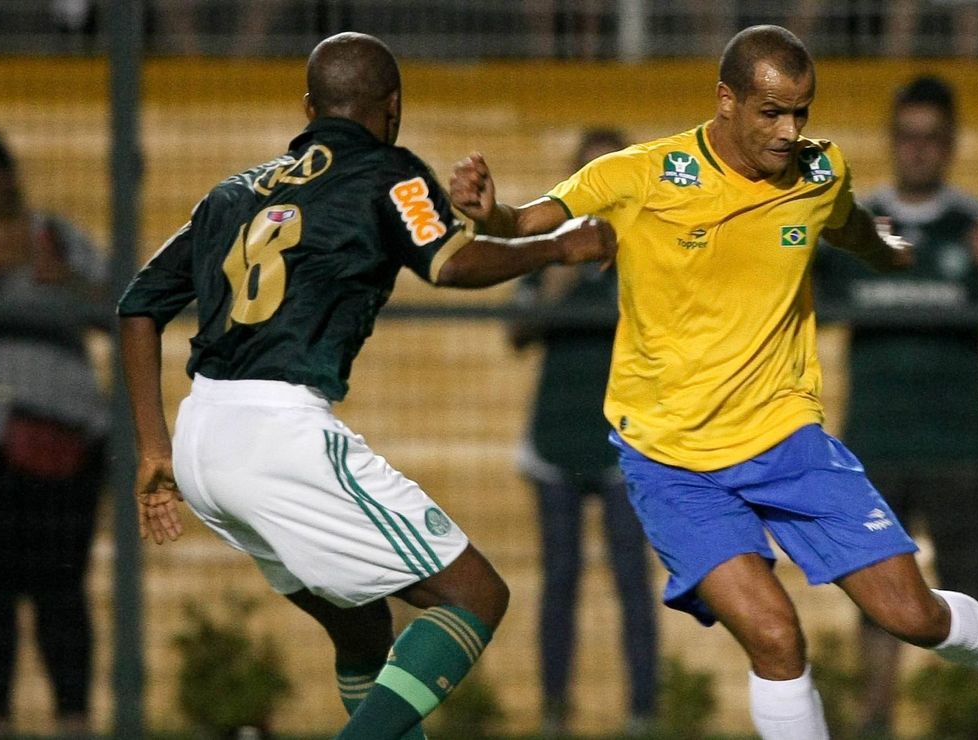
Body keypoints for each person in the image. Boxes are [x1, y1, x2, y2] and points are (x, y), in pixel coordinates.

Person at [450, 24, 978, 740]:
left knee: (913, 616)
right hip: (673, 463)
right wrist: (492, 214)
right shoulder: (640, 174)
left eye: (802, 113)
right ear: (725, 101)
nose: (790, 131)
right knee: (776, 637)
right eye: (771, 113)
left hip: (787, 442)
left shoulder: (818, 174)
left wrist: (890, 251)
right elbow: (528, 222)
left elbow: (852, 228)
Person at [116, 31, 614, 740]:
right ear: (394, 108)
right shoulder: (389, 172)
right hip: (278, 430)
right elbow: (453, 263)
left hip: (201, 441)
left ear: (308, 107)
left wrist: (151, 449)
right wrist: (560, 245)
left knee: (362, 627)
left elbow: (138, 306)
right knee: (475, 595)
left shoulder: (232, 193)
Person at [813, 74, 978, 738]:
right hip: (874, 445)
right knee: (877, 601)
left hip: (961, 448)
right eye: (907, 137)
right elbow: (802, 304)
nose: (918, 151)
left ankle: (964, 723)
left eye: (931, 139)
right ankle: (873, 721)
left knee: (974, 598)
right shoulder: (856, 224)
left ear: (951, 145)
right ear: (892, 142)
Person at [509, 128, 658, 737]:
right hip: (555, 438)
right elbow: (517, 333)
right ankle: (552, 714)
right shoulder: (550, 246)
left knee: (632, 577)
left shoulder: (651, 247)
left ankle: (644, 714)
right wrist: (559, 269)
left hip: (628, 442)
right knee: (560, 579)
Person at [0, 127, 111, 738]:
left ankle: (74, 720)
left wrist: (56, 280)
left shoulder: (54, 237)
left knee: (60, 590)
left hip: (60, 442)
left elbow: (119, 307)